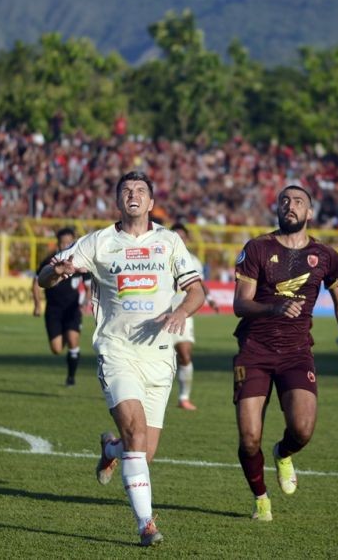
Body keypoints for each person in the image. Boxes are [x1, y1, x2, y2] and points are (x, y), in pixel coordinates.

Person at [37, 171, 205, 547]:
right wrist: (55, 271)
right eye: (126, 190)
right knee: (136, 434)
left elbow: (196, 290)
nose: (133, 195)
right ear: (117, 200)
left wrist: (181, 313)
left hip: (159, 357)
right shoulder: (98, 242)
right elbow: (44, 277)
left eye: (140, 191)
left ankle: (110, 449)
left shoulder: (168, 241)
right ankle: (146, 524)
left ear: (150, 201)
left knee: (143, 450)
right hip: (117, 351)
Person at [232, 185, 338, 523]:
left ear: (310, 213)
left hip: (296, 353)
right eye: (284, 201)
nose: (290, 206)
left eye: (298, 202)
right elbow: (239, 304)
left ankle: (283, 453)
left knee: (303, 430)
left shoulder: (326, 256)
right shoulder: (257, 248)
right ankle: (261, 498)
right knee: (249, 439)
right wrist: (276, 306)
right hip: (254, 351)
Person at [170, 222, 221, 411]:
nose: (179, 239)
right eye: (176, 235)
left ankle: (183, 397)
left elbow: (198, 283)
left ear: (187, 239)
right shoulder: (158, 256)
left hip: (184, 312)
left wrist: (210, 299)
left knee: (184, 354)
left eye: (182, 236)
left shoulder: (192, 260)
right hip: (158, 313)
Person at [32, 227, 86, 386]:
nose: (66, 245)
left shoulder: (79, 262)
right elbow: (36, 284)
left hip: (72, 309)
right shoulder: (50, 262)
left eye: (69, 242)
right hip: (53, 309)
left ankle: (71, 378)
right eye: (63, 243)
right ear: (58, 244)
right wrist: (37, 304)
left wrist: (87, 302)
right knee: (56, 349)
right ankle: (63, 336)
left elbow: (89, 285)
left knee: (73, 340)